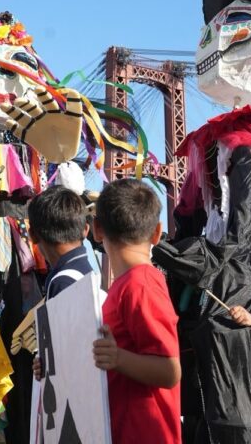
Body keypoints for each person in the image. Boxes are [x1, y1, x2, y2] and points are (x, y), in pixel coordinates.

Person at [91, 178, 182, 443]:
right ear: (157, 232)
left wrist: (118, 358)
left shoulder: (140, 284)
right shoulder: (127, 286)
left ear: (97, 230)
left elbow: (169, 371)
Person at [28, 185, 95, 381]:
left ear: (33, 235)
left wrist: (48, 363)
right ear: (86, 229)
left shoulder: (62, 281)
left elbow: (66, 352)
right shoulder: (86, 273)